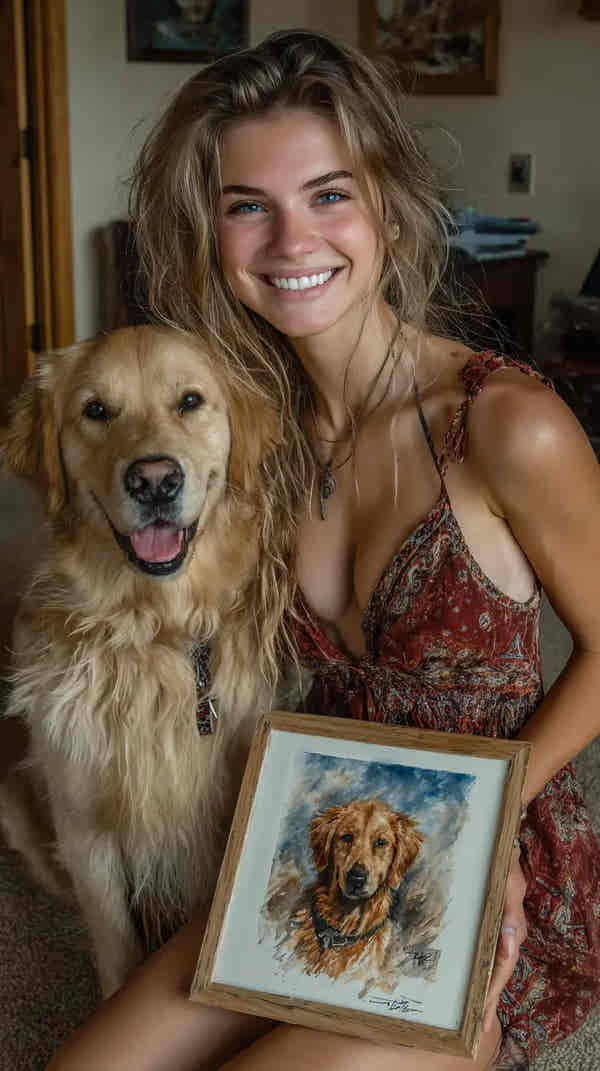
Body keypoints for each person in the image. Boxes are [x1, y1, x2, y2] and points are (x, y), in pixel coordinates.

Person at [48, 29, 600, 1071]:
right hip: (310, 830)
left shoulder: (503, 425)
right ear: (209, 232)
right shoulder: (245, 435)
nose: (291, 240)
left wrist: (483, 824)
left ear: (388, 201)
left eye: (328, 194)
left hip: (487, 844)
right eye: (247, 206)